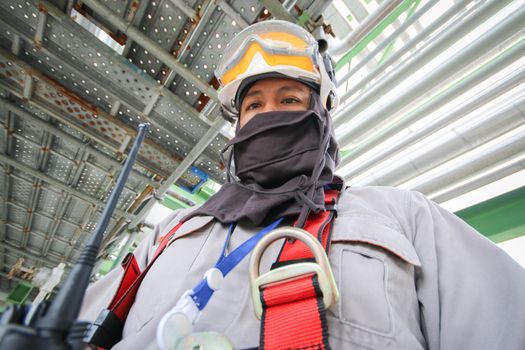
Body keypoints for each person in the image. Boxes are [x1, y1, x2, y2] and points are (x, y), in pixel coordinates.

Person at [79, 20, 525, 349]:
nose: (269, 115)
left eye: (289, 99)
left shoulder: (403, 217)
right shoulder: (167, 234)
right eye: (254, 106)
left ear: (323, 115)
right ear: (237, 126)